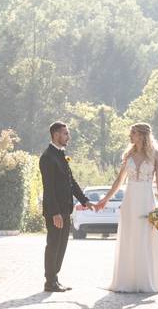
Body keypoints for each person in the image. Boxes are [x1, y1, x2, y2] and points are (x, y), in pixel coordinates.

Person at [95, 122, 158, 293]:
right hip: (130, 200)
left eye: (133, 133)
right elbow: (119, 180)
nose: (130, 136)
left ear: (142, 135)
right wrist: (105, 199)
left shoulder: (155, 154)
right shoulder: (128, 155)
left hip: (146, 199)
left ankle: (146, 281)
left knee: (145, 237)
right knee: (129, 236)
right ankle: (127, 281)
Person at [39, 121, 93, 293]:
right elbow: (48, 187)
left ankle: (55, 279)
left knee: (62, 245)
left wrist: (85, 200)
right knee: (54, 244)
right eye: (65, 134)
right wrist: (55, 213)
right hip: (55, 212)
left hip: (65, 209)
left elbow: (71, 183)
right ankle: (49, 282)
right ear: (56, 135)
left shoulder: (61, 155)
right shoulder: (48, 157)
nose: (68, 137)